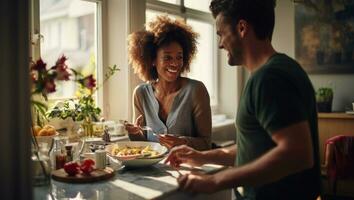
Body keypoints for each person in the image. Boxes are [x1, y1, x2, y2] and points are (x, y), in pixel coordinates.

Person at [165, 0, 321, 199]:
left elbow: (298, 154)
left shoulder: (269, 78)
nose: (220, 44)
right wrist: (201, 157)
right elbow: (256, 148)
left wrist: (215, 181)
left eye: (221, 34)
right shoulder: (280, 69)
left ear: (241, 28)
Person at [125, 15, 212, 150]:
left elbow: (206, 144)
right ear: (152, 60)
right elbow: (142, 143)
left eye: (179, 57)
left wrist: (182, 142)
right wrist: (135, 134)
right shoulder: (140, 93)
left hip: (187, 168)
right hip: (152, 169)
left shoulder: (196, 90)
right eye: (167, 57)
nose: (175, 63)